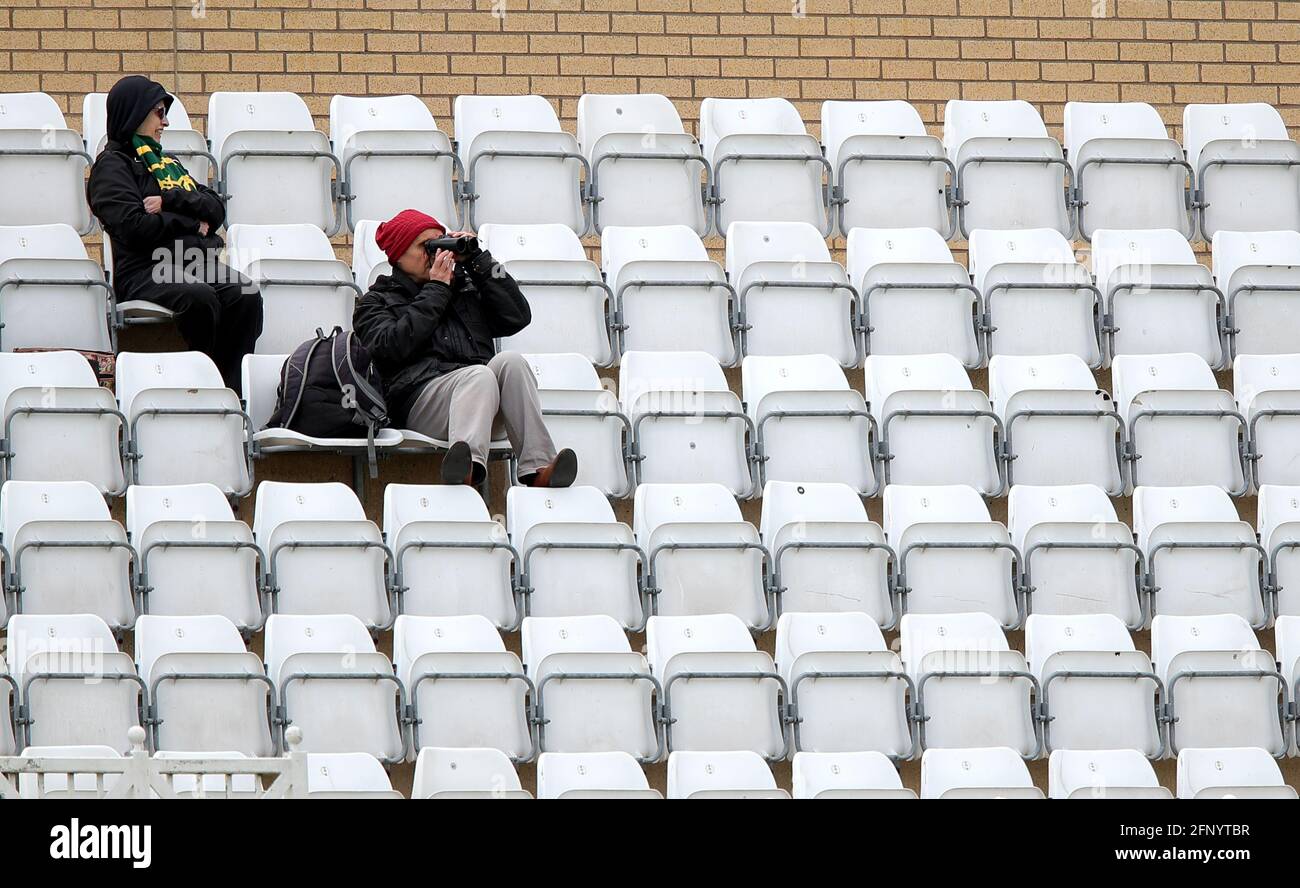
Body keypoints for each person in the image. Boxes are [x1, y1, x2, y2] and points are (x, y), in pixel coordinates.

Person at [352, 208, 577, 487]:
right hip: (418, 404)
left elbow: (517, 316)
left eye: (439, 243)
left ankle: (538, 468)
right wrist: (437, 289)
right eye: (426, 247)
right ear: (398, 255)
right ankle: (467, 469)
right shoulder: (376, 301)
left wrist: (479, 261)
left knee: (511, 362)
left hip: (478, 401)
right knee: (478, 374)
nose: (435, 253)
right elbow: (391, 347)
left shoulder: (464, 288)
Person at [87, 75, 262, 392]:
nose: (165, 122)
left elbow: (215, 208)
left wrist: (171, 200)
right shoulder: (112, 168)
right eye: (158, 112)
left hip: (187, 261)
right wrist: (190, 223)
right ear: (134, 114)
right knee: (199, 296)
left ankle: (229, 390)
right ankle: (202, 385)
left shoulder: (165, 164)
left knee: (244, 293)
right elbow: (135, 227)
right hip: (143, 269)